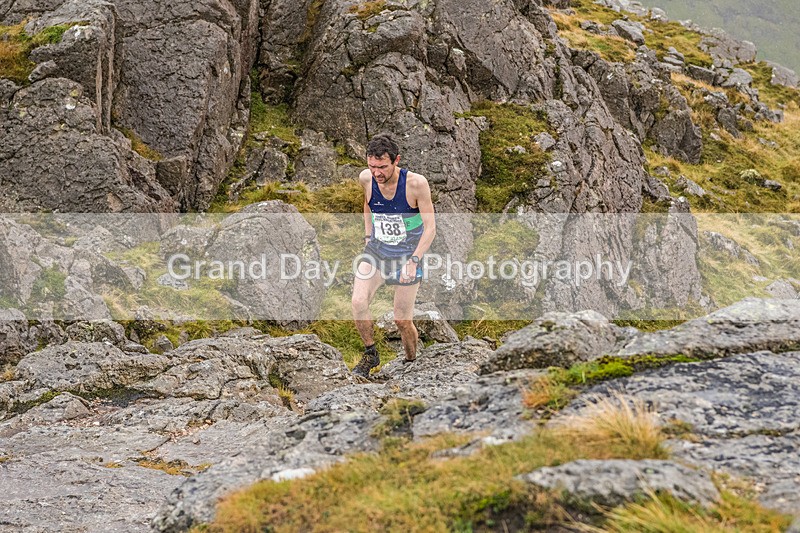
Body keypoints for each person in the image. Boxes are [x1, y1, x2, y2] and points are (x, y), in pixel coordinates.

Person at [350, 134, 436, 378]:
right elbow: (367, 204)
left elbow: (430, 228)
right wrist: (368, 237)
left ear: (396, 161)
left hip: (408, 255)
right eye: (372, 166)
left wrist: (414, 261)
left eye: (382, 167)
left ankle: (411, 360)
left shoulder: (416, 184)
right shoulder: (366, 178)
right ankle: (370, 354)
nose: (377, 173)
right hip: (377, 251)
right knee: (358, 302)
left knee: (402, 321)